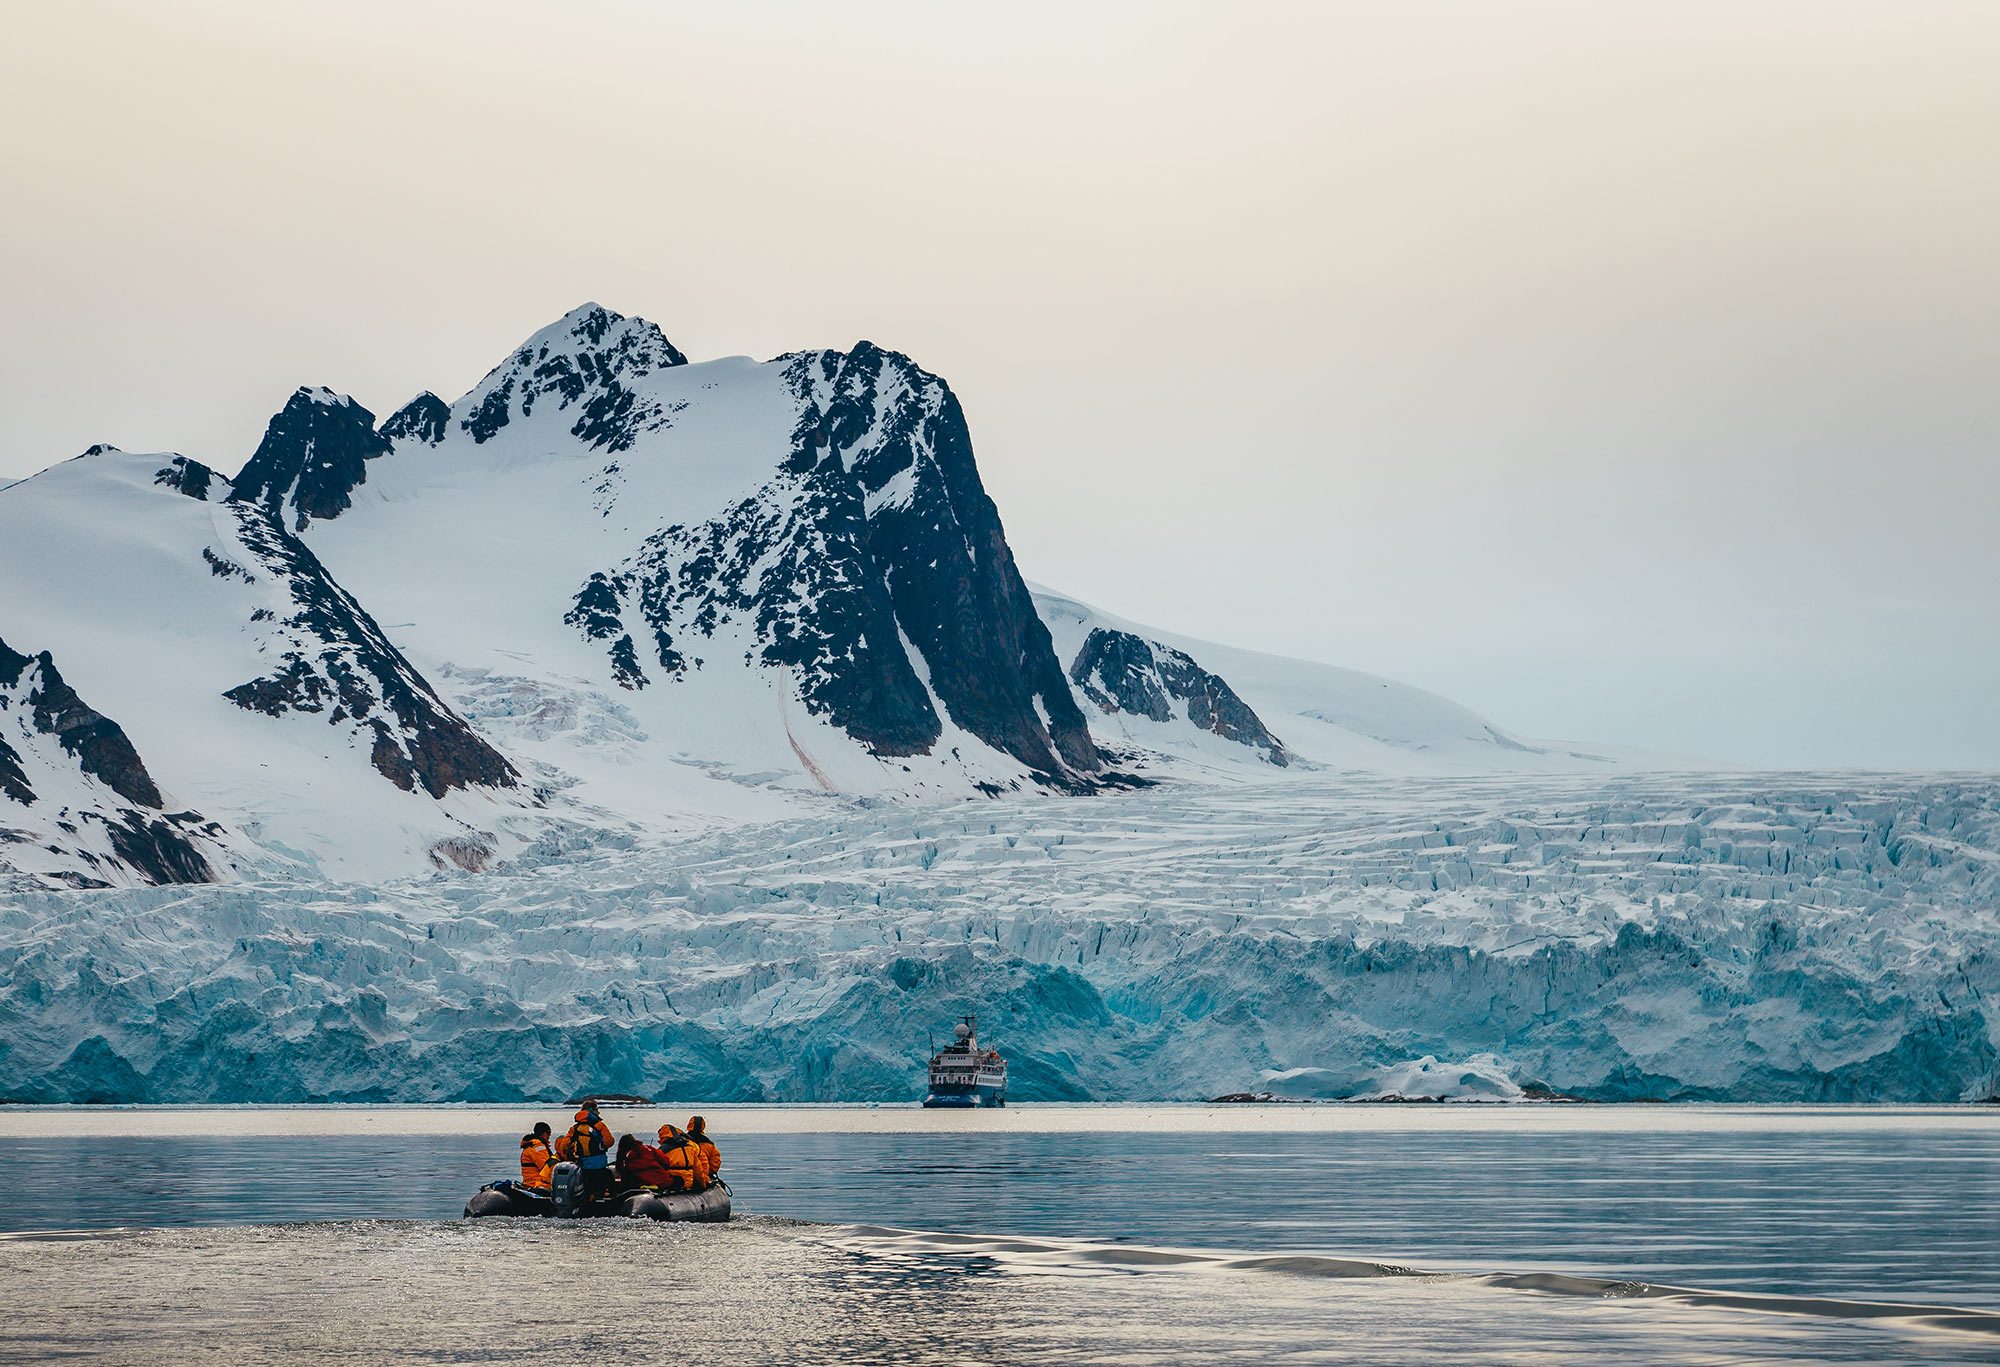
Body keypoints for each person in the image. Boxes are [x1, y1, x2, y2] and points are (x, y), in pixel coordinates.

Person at [563, 1105, 616, 1202]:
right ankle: (601, 1203)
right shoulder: (599, 1125)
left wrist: (572, 1154)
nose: (599, 1112)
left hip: (583, 1166)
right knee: (600, 1188)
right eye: (597, 1110)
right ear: (592, 1110)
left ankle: (585, 1203)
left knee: (586, 1189)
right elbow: (609, 1141)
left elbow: (564, 1145)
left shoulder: (575, 1128)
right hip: (599, 1164)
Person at [616, 1132, 684, 1190]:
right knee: (679, 1180)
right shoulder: (649, 1148)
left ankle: (648, 1185)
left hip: (642, 1182)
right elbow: (665, 1162)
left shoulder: (625, 1156)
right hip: (663, 1181)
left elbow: (625, 1174)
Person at [656, 1122, 708, 1191]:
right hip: (689, 1183)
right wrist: (703, 1185)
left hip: (672, 1184)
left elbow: (656, 1169)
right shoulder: (690, 1148)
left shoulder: (662, 1151)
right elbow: (698, 1169)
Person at [519, 1121, 554, 1193]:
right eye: (548, 1133)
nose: (549, 1136)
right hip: (537, 1184)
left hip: (529, 1183)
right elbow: (546, 1168)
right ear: (542, 1133)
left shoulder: (531, 1145)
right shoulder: (538, 1147)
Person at [687, 1116, 721, 1186]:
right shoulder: (709, 1145)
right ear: (703, 1126)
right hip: (705, 1176)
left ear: (689, 1125)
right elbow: (715, 1164)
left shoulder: (682, 1143)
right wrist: (708, 1173)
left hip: (687, 1176)